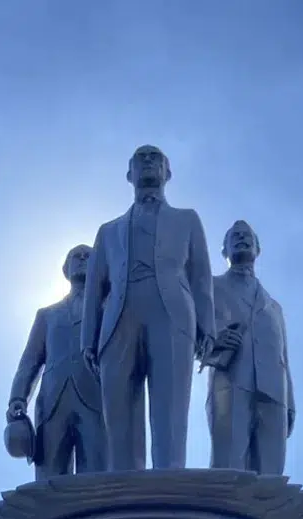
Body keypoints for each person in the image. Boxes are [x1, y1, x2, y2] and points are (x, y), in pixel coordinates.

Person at [80, 145, 216, 471]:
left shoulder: (187, 219)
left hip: (172, 314)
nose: (148, 162)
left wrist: (207, 326)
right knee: (118, 414)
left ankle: (169, 479)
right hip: (118, 319)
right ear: (129, 174)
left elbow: (200, 275)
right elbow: (95, 288)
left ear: (168, 172)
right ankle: (125, 484)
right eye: (141, 158)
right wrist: (88, 339)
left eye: (155, 157)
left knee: (171, 408)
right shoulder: (108, 231)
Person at [8, 244, 106, 478]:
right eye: (75, 256)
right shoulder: (47, 315)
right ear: (66, 269)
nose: (81, 259)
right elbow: (30, 360)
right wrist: (18, 397)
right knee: (48, 478)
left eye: (87, 256)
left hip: (97, 397)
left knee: (96, 477)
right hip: (52, 402)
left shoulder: (110, 308)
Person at [204, 220, 294, 475]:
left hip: (274, 390)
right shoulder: (211, 287)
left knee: (272, 473)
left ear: (257, 248)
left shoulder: (274, 307)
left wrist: (290, 402)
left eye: (247, 236)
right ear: (224, 250)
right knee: (228, 465)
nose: (242, 239)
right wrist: (213, 341)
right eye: (235, 236)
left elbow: (284, 357)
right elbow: (191, 329)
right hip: (231, 381)